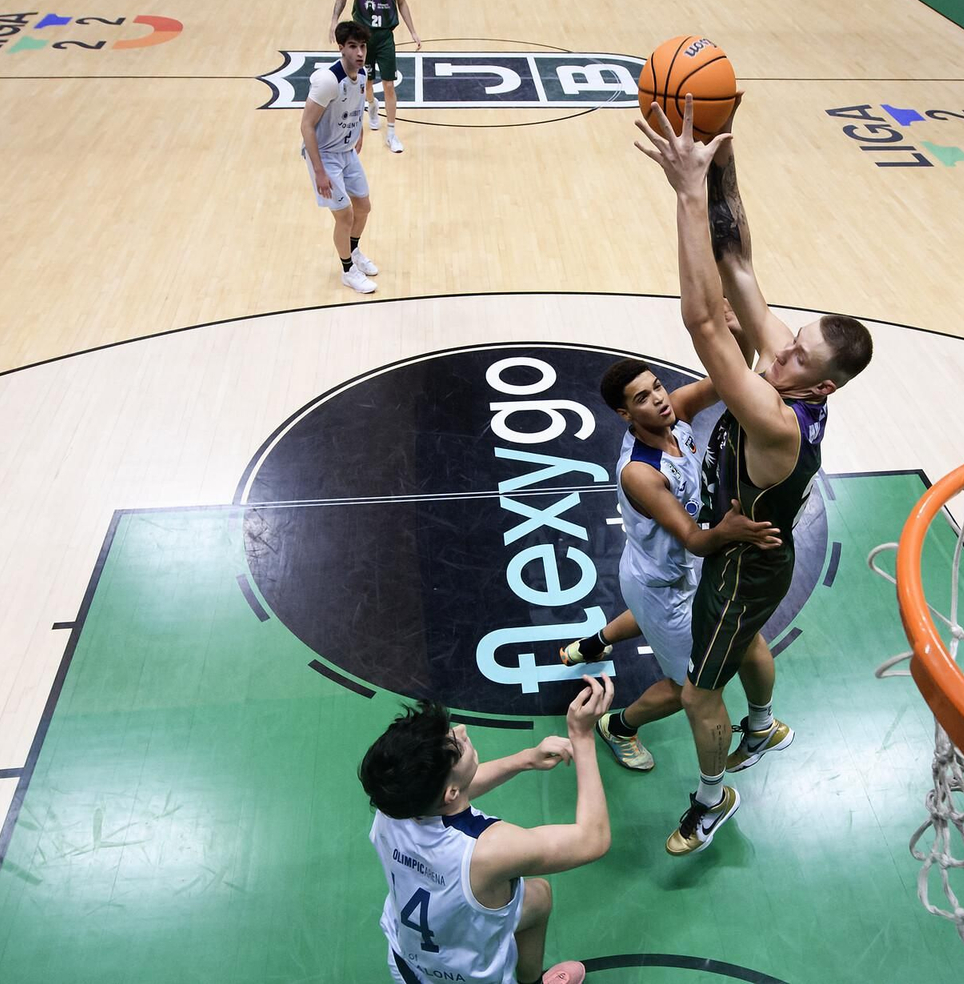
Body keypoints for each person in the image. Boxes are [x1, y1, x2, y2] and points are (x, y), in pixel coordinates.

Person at [634, 96, 874, 855]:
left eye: (797, 356)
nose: (778, 351)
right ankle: (765, 727)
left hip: (740, 568)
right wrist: (720, 154)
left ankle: (712, 800)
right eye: (790, 339)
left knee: (703, 689)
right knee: (747, 645)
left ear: (821, 387)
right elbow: (737, 264)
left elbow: (705, 324)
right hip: (761, 555)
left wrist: (685, 191)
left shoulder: (776, 417)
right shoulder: (792, 368)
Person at [559, 360, 781, 773]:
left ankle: (591, 645)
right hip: (661, 584)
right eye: (642, 398)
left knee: (655, 618)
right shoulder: (641, 473)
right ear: (626, 415)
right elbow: (695, 541)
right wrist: (733, 530)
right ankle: (619, 727)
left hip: (672, 573)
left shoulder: (675, 413)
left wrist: (732, 336)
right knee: (686, 688)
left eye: (657, 386)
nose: (659, 399)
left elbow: (727, 376)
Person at [359, 676, 613, 984]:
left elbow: (450, 795)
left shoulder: (393, 802)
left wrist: (524, 760)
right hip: (472, 979)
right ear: (449, 793)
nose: (462, 732)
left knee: (538, 897)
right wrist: (582, 736)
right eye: (456, 744)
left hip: (406, 963)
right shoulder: (487, 850)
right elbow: (592, 839)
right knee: (533, 894)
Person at [329, 0, 422, 154]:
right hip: (363, 38)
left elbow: (401, 2)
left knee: (389, 84)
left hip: (385, 37)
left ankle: (391, 133)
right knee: (366, 84)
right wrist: (333, 22)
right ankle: (372, 104)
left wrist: (413, 31)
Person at [302, 21, 379, 294]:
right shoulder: (328, 81)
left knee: (363, 206)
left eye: (363, 46)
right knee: (344, 215)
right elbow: (306, 126)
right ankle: (348, 270)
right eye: (353, 47)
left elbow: (357, 106)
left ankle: (354, 249)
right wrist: (319, 171)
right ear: (341, 49)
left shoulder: (361, 74)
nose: (360, 52)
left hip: (346, 152)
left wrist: (360, 133)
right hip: (324, 156)